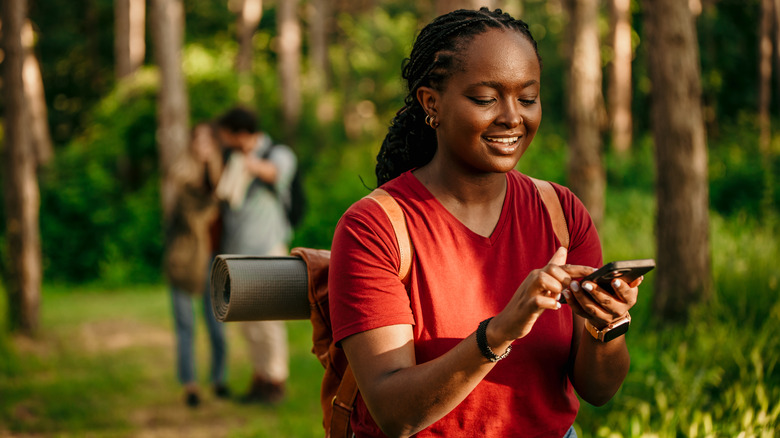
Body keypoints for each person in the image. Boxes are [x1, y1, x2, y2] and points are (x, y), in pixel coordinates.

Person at [328, 8, 642, 437]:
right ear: (431, 103)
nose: (512, 117)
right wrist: (501, 331)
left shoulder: (562, 213)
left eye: (527, 98)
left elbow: (598, 390)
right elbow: (394, 412)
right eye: (485, 99)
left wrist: (608, 326)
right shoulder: (375, 227)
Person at [214, 106, 297, 404]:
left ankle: (276, 379)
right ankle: (260, 377)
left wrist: (248, 162)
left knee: (269, 318)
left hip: (268, 248)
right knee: (247, 319)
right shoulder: (231, 158)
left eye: (227, 138)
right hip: (238, 251)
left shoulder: (277, 152)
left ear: (241, 135)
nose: (224, 144)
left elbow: (276, 173)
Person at [164, 122, 229, 408]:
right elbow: (191, 217)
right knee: (186, 325)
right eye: (198, 141)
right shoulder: (182, 179)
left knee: (217, 325)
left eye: (208, 141)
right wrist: (214, 202)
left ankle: (219, 379)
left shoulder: (223, 177)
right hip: (184, 260)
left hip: (215, 260)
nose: (203, 147)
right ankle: (190, 385)